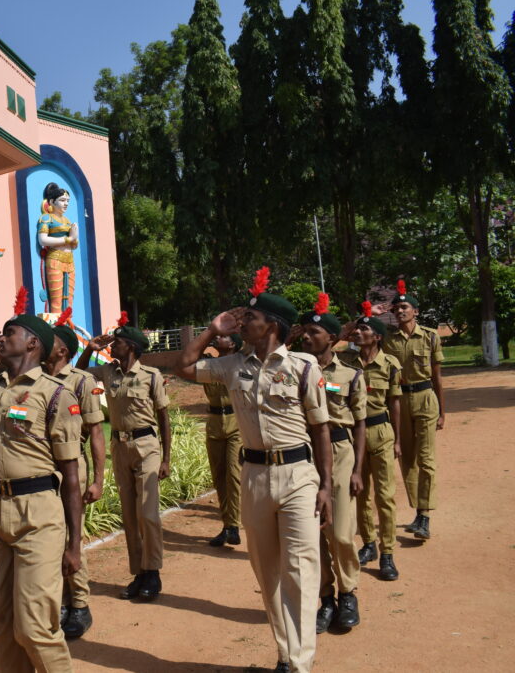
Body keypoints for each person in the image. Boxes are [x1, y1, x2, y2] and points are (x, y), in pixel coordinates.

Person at [172, 268, 332, 673]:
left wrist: (326, 486)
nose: (243, 324)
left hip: (298, 474)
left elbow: (321, 429)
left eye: (251, 319)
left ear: (273, 327)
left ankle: (300, 662)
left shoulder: (303, 366)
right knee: (267, 570)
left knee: (300, 568)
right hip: (255, 477)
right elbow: (184, 367)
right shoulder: (231, 365)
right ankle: (285, 652)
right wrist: (211, 330)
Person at [0, 294, 83, 673]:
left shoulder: (55, 394)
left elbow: (70, 477)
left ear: (33, 343)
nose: (1, 339)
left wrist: (74, 544)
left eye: (10, 333)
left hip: (37, 514)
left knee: (35, 628)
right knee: (0, 626)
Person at [77, 312, 171, 603]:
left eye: (116, 343)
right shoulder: (108, 372)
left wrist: (166, 459)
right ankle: (138, 573)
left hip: (146, 447)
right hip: (120, 448)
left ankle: (153, 572)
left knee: (148, 513)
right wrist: (90, 350)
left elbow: (164, 418)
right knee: (129, 515)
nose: (112, 346)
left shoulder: (151, 376)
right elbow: (78, 375)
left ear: (130, 347)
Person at [296, 294, 365, 634]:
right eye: (304, 332)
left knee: (340, 533)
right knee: (314, 533)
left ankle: (348, 592)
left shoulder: (350, 374)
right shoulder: (294, 370)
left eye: (313, 333)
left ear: (332, 338)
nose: (306, 338)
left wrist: (356, 470)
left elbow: (361, 423)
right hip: (305, 454)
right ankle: (325, 598)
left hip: (339, 452)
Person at [46, 308, 106, 640]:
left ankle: (80, 604)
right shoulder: (36, 378)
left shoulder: (83, 381)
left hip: (72, 466)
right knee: (51, 540)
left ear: (63, 349)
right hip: (43, 469)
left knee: (72, 535)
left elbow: (96, 433)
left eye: (50, 339)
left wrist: (97, 479)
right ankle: (63, 602)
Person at [339, 302, 402, 581]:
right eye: (357, 328)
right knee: (360, 492)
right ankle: (369, 544)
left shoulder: (390, 365)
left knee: (385, 496)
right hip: (354, 434)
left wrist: (398, 439)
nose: (357, 333)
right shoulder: (344, 362)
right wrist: (354, 322)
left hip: (380, 432)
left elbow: (395, 404)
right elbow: (334, 339)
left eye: (364, 329)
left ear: (377, 336)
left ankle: (387, 552)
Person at [382, 280, 444, 540]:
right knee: (407, 457)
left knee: (426, 458)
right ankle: (418, 511)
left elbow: (438, 376)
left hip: (426, 398)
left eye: (404, 307)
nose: (399, 312)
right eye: (396, 309)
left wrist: (442, 410)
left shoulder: (430, 336)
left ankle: (425, 515)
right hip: (399, 403)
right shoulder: (387, 339)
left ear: (416, 311)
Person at [201, 333, 244, 547]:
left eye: (224, 336)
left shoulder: (241, 363)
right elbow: (184, 363)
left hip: (236, 421)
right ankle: (227, 525)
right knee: (218, 476)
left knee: (233, 475)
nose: (219, 337)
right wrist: (204, 339)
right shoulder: (208, 364)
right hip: (215, 422)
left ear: (233, 343)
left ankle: (233, 525)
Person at [37, 182, 78, 313]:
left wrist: (74, 238)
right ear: (52, 202)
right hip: (55, 260)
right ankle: (57, 330)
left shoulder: (67, 221)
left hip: (69, 261)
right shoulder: (46, 218)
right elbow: (42, 239)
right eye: (62, 200)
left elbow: (74, 245)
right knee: (56, 301)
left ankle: (68, 329)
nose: (66, 203)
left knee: (69, 300)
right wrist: (68, 239)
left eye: (68, 201)